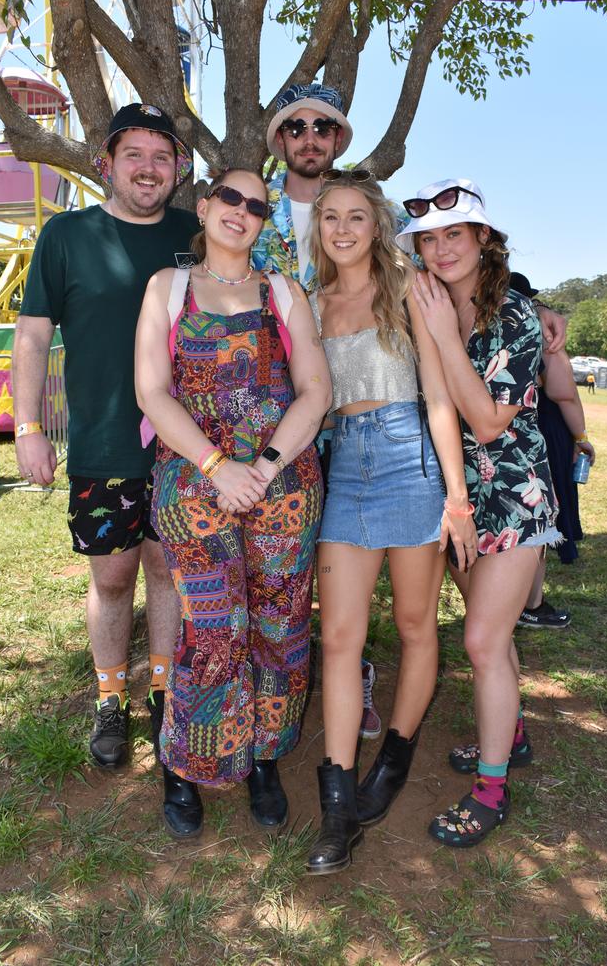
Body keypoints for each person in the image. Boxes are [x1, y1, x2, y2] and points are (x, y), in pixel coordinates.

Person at [135, 168, 331, 839]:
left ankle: (264, 759)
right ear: (205, 204)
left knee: (280, 625)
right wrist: (219, 467)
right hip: (195, 487)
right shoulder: (168, 288)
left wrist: (266, 466)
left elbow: (315, 390)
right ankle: (186, 765)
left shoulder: (283, 292)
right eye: (230, 198)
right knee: (213, 630)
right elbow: (152, 394)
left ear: (263, 220)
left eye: (256, 204)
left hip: (283, 488)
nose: (241, 211)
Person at [12, 103, 198, 770]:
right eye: (134, 155)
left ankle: (165, 694)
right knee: (114, 578)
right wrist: (29, 427)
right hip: (101, 445)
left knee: (168, 572)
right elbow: (32, 336)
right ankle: (110, 701)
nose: (148, 168)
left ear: (178, 170)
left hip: (186, 449)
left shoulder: (198, 234)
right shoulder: (66, 235)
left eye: (161, 155)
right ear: (108, 164)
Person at [304, 170, 477, 874]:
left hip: (411, 460)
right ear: (318, 229)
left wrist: (455, 496)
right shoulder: (310, 303)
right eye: (330, 218)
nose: (343, 228)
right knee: (339, 635)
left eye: (356, 216)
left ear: (375, 225)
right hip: (345, 466)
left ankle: (397, 753)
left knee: (414, 626)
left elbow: (439, 397)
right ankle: (337, 803)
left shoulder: (409, 289)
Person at [401, 179, 561, 846]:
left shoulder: (518, 315)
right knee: (486, 629)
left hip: (515, 493)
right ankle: (512, 735)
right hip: (458, 496)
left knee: (482, 641)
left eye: (454, 235)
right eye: (429, 239)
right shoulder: (428, 299)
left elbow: (491, 422)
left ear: (483, 240)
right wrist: (453, 500)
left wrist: (441, 332)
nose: (441, 249)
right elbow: (437, 399)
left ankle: (491, 792)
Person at [252, 82, 385, 738]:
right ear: (281, 139)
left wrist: (530, 306)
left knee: (346, 555)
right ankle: (272, 683)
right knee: (277, 564)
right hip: (269, 417)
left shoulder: (358, 210)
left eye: (323, 128)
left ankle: (349, 676)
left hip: (353, 417)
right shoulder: (250, 211)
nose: (310, 137)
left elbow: (422, 276)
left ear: (337, 141)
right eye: (296, 126)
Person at [510, 274, 596, 629]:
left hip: (515, 428)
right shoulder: (542, 336)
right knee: (541, 522)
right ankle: (531, 603)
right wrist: (581, 437)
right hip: (544, 430)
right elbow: (565, 394)